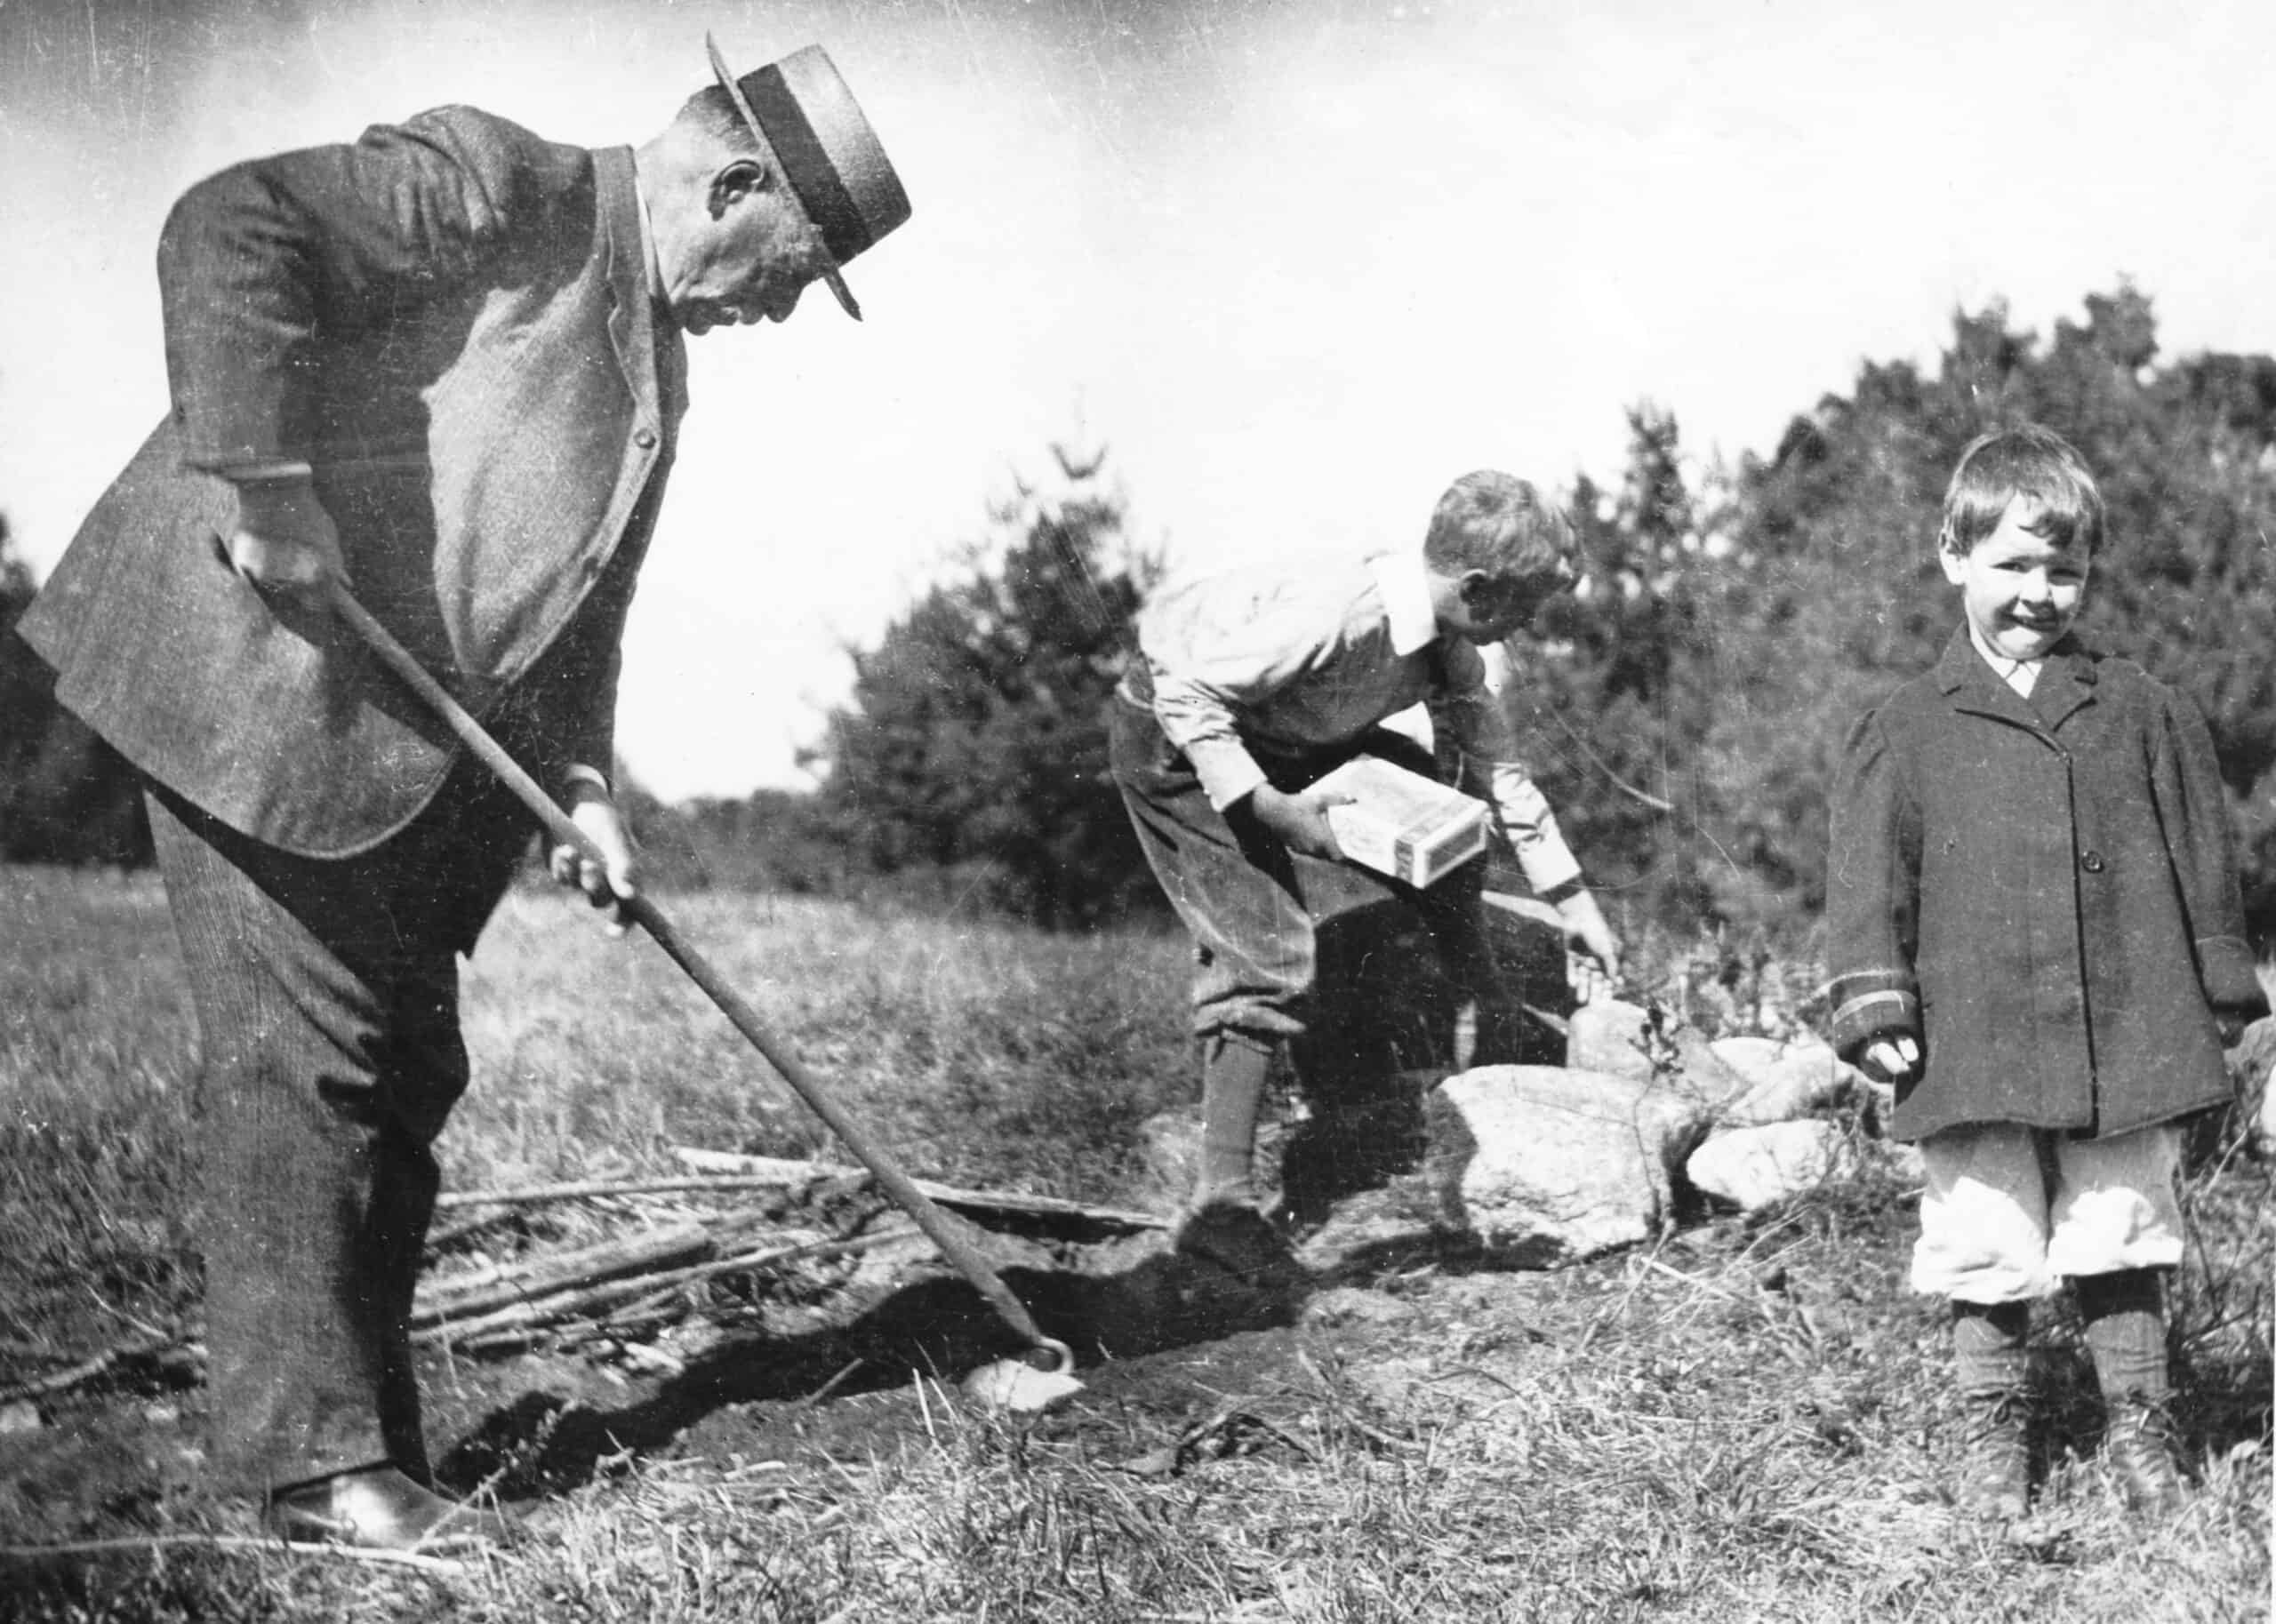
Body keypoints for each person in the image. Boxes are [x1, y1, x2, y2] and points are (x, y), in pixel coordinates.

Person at [13, 36, 910, 1550]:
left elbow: (580, 618)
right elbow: (228, 221)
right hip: (246, 679)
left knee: (409, 1066)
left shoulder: (656, 369)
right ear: (737, 185)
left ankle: (367, 1435)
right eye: (792, 265)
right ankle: (311, 1469)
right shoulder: (508, 190)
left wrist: (588, 791)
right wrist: (268, 483)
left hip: (381, 758)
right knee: (319, 1060)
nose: (773, 307)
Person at [1824, 424, 2264, 1521]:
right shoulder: (1906, 727)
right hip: (1973, 1026)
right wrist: (1876, 998)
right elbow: (1867, 879)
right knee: (1982, 1228)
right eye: (2013, 564)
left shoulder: (2141, 708)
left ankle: (2139, 1431)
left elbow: (2202, 858)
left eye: (2063, 569)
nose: (2039, 592)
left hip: (2126, 1013)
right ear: (1951, 557)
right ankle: (1993, 1437)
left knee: (2121, 1216)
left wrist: (2216, 986)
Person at [1110, 470, 1623, 1274]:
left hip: (1289, 732)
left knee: (1443, 814)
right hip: (1180, 742)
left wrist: (1573, 898)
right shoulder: (1344, 616)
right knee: (1268, 949)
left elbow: (1500, 771)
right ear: (1478, 588)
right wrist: (1271, 811)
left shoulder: (1449, 646)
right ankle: (1222, 1204)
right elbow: (1189, 690)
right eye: (1527, 608)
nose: (1529, 626)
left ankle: (1485, 1009)